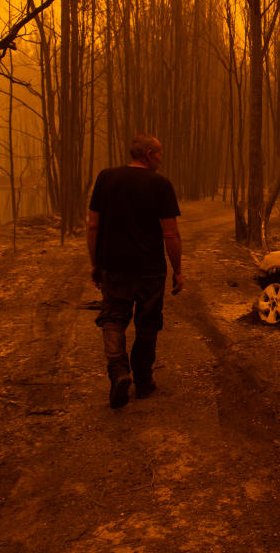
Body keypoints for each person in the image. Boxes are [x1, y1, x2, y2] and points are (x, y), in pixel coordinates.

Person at [87, 134, 183, 409]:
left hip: (114, 265)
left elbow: (93, 225)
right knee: (148, 323)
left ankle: (118, 371)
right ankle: (143, 381)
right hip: (150, 269)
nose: (162, 159)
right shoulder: (160, 185)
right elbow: (170, 233)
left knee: (113, 318)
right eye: (160, 153)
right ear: (149, 153)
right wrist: (178, 270)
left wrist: (95, 263)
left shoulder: (106, 178)